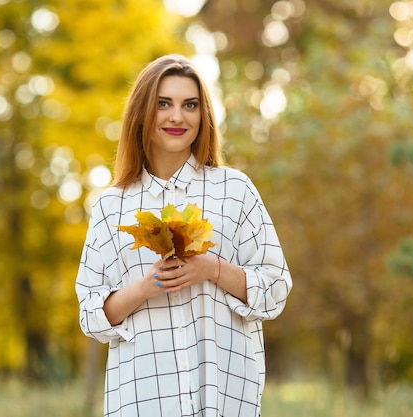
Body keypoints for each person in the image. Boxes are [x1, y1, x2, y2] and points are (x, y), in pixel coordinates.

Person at [75, 54, 292, 417]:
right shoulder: (111, 206)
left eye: (189, 105)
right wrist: (143, 288)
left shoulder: (234, 190)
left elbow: (275, 289)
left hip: (225, 399)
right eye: (164, 104)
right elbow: (91, 315)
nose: (177, 116)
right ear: (143, 112)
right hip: (143, 400)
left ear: (202, 115)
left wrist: (212, 269)